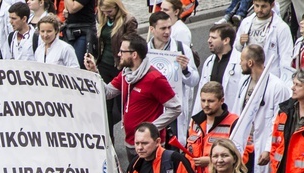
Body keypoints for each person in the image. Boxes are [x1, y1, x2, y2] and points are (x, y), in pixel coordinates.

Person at [84, 33, 181, 162]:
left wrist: (151, 128)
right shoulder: (125, 74)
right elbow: (107, 93)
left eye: (122, 51)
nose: (119, 54)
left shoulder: (154, 79)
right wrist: (94, 72)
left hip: (149, 145)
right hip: (131, 142)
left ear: (134, 55)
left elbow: (176, 108)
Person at [233, 45, 290, 173]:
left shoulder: (277, 86)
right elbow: (238, 111)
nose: (240, 63)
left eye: (242, 60)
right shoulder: (244, 82)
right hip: (244, 144)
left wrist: (267, 149)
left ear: (250, 62)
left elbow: (278, 119)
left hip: (261, 146)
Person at [147, 11, 199, 145]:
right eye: (163, 28)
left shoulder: (182, 49)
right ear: (152, 29)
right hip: (152, 108)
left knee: (173, 148)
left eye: (169, 27)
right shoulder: (144, 52)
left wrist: (185, 69)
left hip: (173, 111)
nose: (167, 32)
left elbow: (194, 80)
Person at [95, 0, 138, 141]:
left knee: (124, 105)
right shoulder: (103, 19)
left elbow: (132, 43)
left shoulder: (128, 20)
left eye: (109, 11)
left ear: (117, 7)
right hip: (104, 64)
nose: (106, 14)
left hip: (120, 66)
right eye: (104, 12)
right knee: (104, 106)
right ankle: (109, 141)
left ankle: (131, 138)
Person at [186, 82, 246, 173]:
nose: (206, 105)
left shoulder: (234, 122)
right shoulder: (195, 121)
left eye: (210, 101)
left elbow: (242, 155)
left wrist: (211, 161)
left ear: (221, 100)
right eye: (203, 100)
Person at [234, 0, 294, 81]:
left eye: (263, 6)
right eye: (257, 5)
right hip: (248, 76)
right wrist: (240, 43)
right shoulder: (246, 22)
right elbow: (236, 50)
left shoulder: (281, 28)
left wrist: (285, 82)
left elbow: (286, 58)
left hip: (270, 77)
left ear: (272, 5)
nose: (259, 10)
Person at [194, 23, 242, 115]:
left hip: (231, 114)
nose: (209, 40)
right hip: (210, 115)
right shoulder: (209, 62)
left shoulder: (239, 62)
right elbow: (201, 90)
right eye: (209, 37)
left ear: (226, 40)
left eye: (214, 38)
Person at [61, 0, 97, 68]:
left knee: (78, 63)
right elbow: (67, 9)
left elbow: (72, 8)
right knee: (65, 62)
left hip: (84, 31)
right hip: (70, 29)